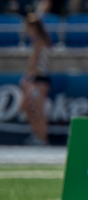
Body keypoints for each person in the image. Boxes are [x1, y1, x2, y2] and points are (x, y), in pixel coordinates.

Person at [22, 14, 53, 143]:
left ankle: (42, 137)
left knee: (38, 110)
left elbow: (35, 63)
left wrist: (27, 78)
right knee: (28, 107)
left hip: (40, 79)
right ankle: (38, 134)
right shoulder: (42, 40)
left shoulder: (40, 41)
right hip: (38, 78)